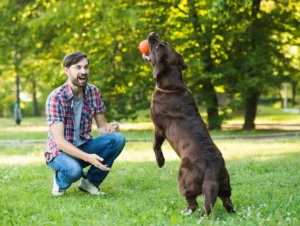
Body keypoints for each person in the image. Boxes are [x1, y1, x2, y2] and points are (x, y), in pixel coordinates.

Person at [45, 50, 126, 196]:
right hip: (59, 153)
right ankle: (59, 181)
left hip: (84, 146)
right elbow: (60, 142)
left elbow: (102, 127)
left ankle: (90, 182)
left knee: (118, 139)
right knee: (74, 171)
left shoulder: (93, 92)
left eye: (86, 67)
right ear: (66, 71)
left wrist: (111, 129)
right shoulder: (56, 98)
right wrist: (88, 158)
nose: (83, 71)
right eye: (78, 67)